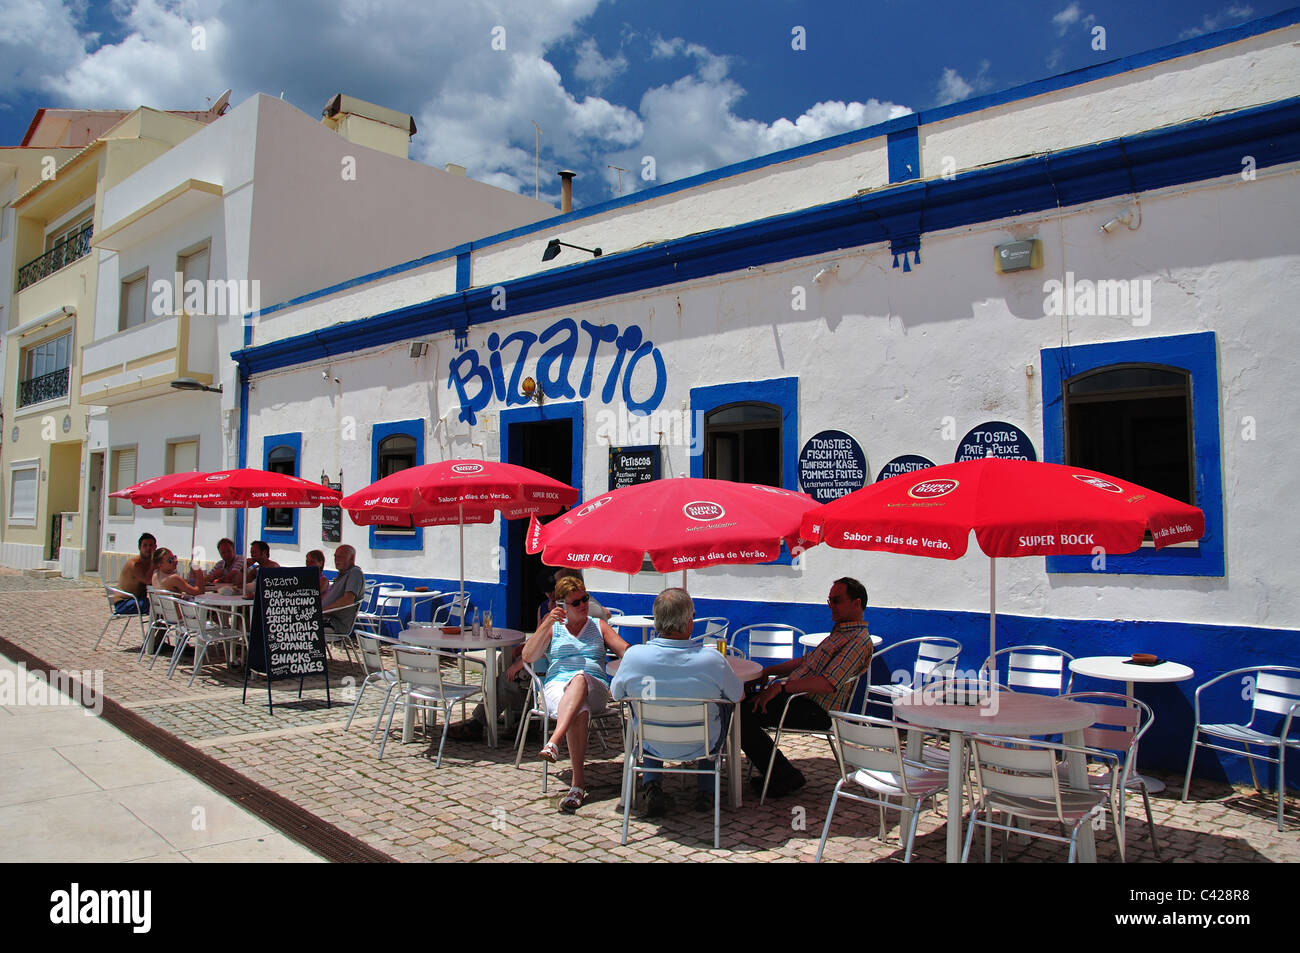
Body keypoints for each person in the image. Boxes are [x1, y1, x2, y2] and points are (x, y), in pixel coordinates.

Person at [611, 587, 743, 816]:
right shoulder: (712, 660)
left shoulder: (634, 656)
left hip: (651, 743)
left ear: (656, 622)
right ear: (689, 621)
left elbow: (616, 694)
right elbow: (738, 695)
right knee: (721, 708)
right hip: (703, 744)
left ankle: (651, 785)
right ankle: (706, 791)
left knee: (645, 708)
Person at [739, 577, 874, 798]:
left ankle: (783, 775)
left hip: (814, 709)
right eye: (829, 600)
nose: (831, 606)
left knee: (741, 714)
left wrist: (782, 687)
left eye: (837, 600)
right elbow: (806, 662)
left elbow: (827, 683)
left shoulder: (858, 641)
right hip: (799, 699)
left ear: (857, 603)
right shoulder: (840, 633)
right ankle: (779, 773)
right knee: (738, 702)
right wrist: (769, 671)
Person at [522, 574, 628, 813]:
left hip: (595, 688)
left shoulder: (598, 626)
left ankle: (554, 741)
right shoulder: (554, 628)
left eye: (585, 599)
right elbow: (528, 657)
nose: (583, 606)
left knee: (579, 679)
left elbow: (624, 649)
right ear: (562, 606)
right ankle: (577, 785)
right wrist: (547, 623)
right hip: (557, 688)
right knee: (578, 707)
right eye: (576, 602)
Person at [322, 544, 364, 632]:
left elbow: (347, 600)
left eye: (341, 557)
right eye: (335, 557)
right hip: (325, 618)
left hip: (334, 623)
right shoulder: (343, 574)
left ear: (352, 558)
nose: (336, 560)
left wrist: (323, 610)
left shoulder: (355, 572)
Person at [112, 533, 156, 614]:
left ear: (155, 547)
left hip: (139, 600)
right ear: (139, 547)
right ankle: (157, 626)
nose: (148, 548)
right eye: (145, 545)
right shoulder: (134, 564)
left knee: (164, 605)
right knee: (158, 606)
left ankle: (158, 626)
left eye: (151, 545)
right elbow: (148, 580)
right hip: (124, 603)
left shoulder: (150, 564)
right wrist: (153, 562)